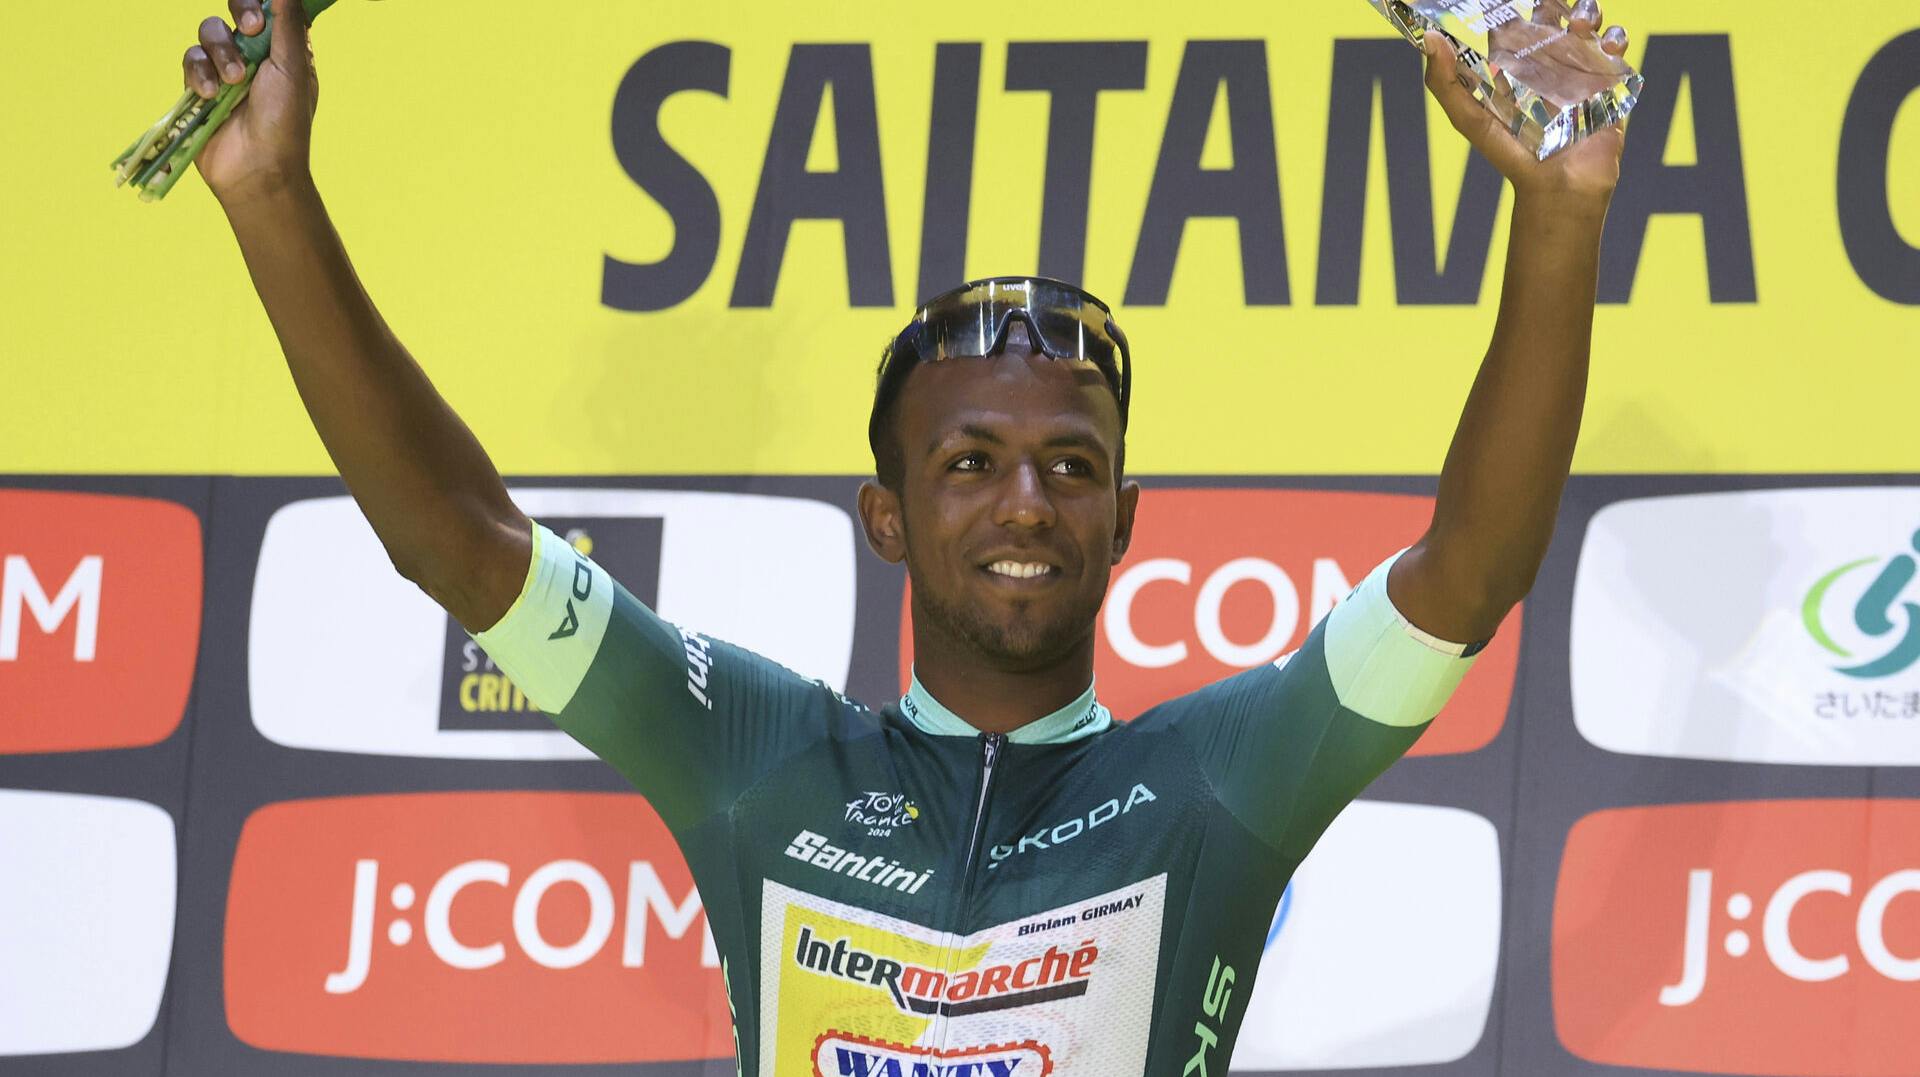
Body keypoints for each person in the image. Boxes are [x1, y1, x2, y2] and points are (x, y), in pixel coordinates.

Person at [184, 0, 1631, 1071]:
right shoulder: (759, 758)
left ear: (1125, 520)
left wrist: (1561, 217)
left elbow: (1468, 576)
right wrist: (268, 192)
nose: (1023, 503)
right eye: (968, 462)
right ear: (885, 514)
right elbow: (460, 540)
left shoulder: (1214, 779)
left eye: (1072, 465)